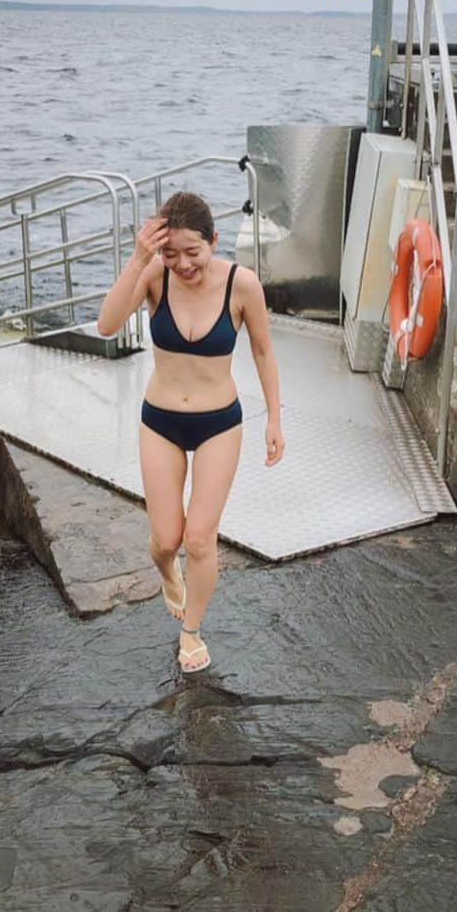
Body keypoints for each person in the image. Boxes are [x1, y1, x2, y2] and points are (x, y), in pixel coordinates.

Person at [97, 191, 284, 673]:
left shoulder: (242, 286)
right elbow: (106, 324)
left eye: (192, 253)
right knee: (166, 539)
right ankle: (165, 568)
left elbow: (263, 352)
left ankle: (191, 631)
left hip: (219, 422)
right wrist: (140, 258)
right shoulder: (154, 274)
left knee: (199, 539)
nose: (182, 264)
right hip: (160, 422)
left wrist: (275, 420)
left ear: (214, 242)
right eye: (170, 253)